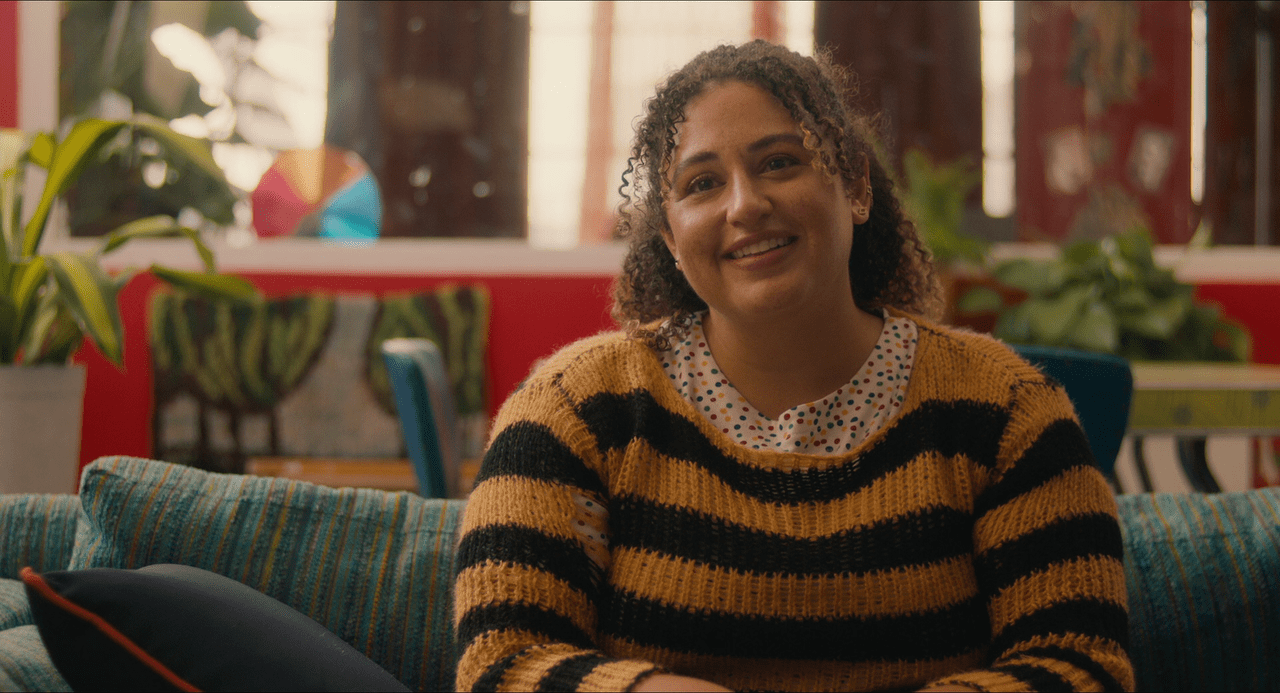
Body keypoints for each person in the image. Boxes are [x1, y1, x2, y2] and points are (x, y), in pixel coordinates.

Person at [453, 41, 1132, 693]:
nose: (745, 204)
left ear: (856, 186)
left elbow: (1081, 664)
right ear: (670, 236)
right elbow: (501, 661)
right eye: (702, 183)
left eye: (779, 163)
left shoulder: (1006, 408)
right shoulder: (573, 408)